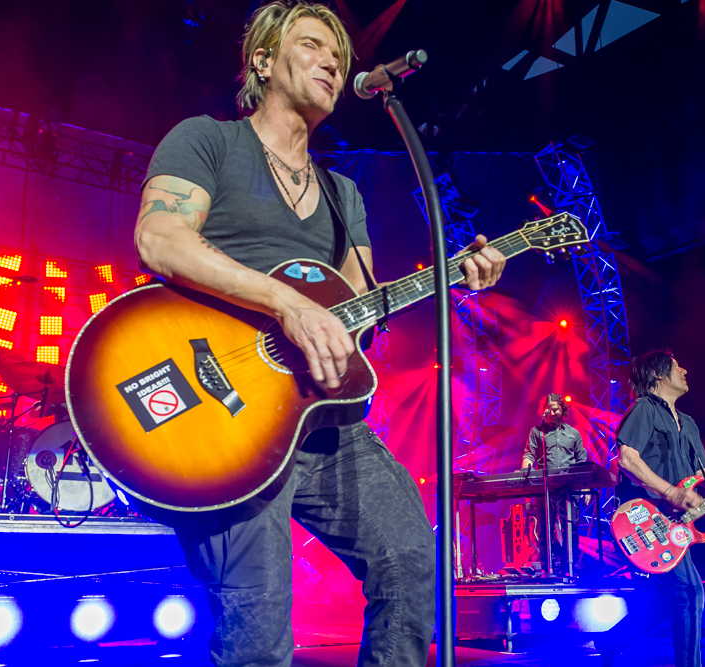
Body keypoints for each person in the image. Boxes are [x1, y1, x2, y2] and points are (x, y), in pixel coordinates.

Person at [132, 3, 507, 666]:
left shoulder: (344, 195)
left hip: (321, 423)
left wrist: (454, 276)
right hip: (225, 415)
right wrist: (285, 304)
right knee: (261, 628)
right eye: (312, 46)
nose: (335, 62)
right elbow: (159, 239)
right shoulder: (207, 142)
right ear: (263, 61)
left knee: (413, 559)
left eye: (340, 55)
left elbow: (359, 310)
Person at [597, 350, 705, 667]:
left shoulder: (688, 423)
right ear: (658, 376)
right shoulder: (644, 409)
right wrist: (669, 492)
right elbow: (627, 460)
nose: (686, 370)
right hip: (646, 520)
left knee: (673, 598)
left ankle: (612, 641)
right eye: (677, 366)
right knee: (690, 593)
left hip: (677, 525)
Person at [521, 393, 588, 574]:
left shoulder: (573, 433)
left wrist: (587, 487)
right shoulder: (537, 432)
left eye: (556, 408)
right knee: (545, 529)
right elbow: (529, 454)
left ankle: (570, 566)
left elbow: (582, 460)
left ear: (563, 410)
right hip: (545, 488)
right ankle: (548, 567)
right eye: (548, 408)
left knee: (570, 529)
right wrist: (524, 473)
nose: (552, 412)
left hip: (569, 488)